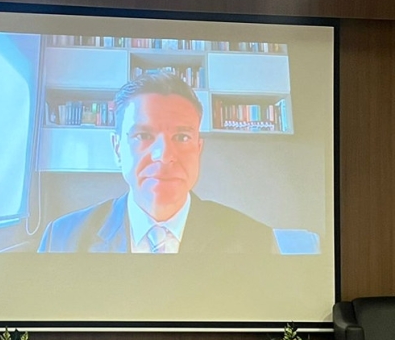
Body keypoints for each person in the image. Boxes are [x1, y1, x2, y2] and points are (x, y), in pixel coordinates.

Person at [38, 71, 276, 253]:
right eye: (143, 136)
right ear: (117, 148)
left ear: (198, 148)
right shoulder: (60, 239)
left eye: (182, 137)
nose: (164, 155)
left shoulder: (255, 240)